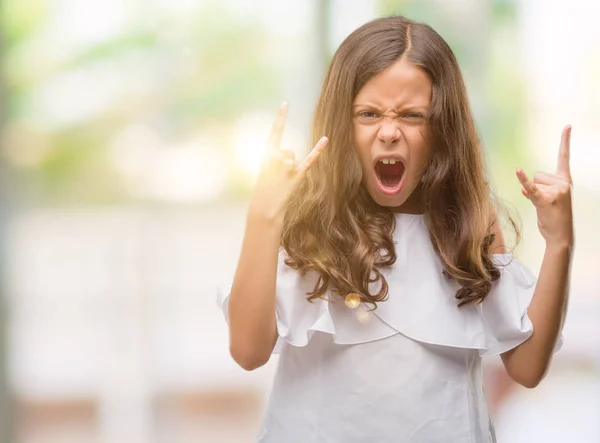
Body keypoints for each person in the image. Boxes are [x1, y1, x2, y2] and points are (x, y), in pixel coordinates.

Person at [216, 15, 573, 443]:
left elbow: (528, 368)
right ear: (340, 124)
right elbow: (248, 351)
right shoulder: (310, 220)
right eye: (368, 114)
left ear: (443, 127)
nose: (389, 132)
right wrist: (263, 216)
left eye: (412, 115)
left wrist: (560, 243)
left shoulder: (469, 221)